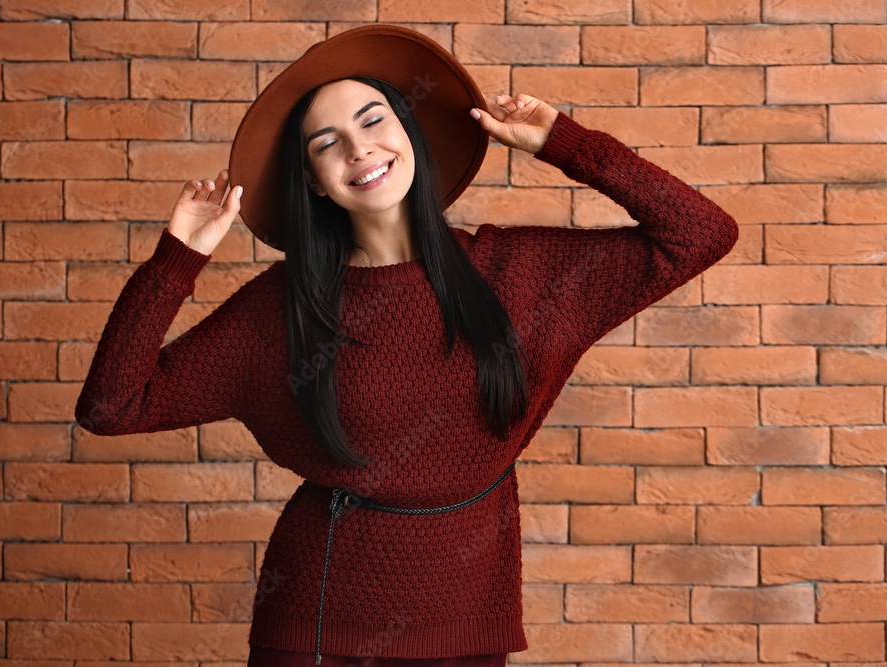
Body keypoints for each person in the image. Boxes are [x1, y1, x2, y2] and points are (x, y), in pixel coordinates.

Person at [74, 24, 738, 667]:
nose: (359, 149)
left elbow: (701, 232)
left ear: (408, 132)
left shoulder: (521, 273)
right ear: (312, 180)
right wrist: (177, 257)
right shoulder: (281, 310)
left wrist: (562, 142)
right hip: (319, 625)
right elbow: (112, 405)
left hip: (470, 619)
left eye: (372, 120)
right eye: (326, 143)